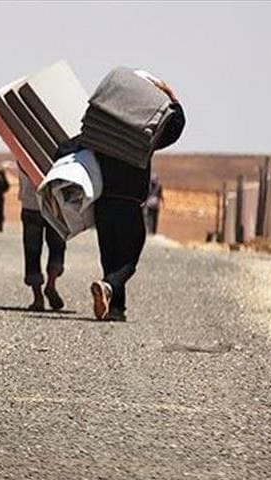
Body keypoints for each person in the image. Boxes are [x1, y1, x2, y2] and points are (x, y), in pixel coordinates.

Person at [91, 79, 185, 321]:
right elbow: (175, 127)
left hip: (104, 203)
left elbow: (69, 146)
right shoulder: (143, 134)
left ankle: (115, 308)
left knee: (109, 255)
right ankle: (109, 286)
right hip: (129, 203)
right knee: (129, 258)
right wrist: (171, 96)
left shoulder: (100, 132)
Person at [19, 171, 66, 311]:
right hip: (55, 204)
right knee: (57, 246)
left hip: (30, 204)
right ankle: (51, 284)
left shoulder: (24, 150)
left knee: (32, 250)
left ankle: (38, 297)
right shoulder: (58, 152)